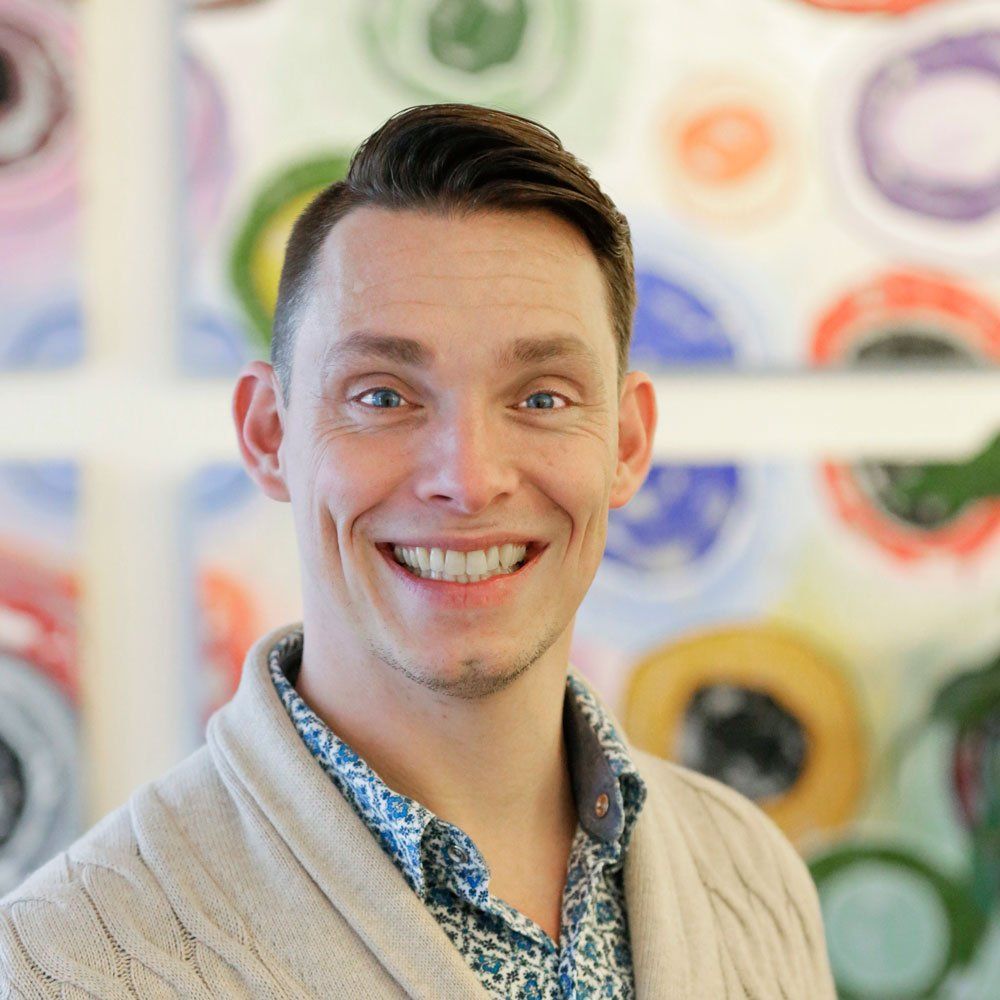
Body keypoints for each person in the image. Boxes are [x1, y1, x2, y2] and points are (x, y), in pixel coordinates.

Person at [0, 103, 835, 998]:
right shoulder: (68, 965)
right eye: (383, 396)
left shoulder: (751, 874)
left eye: (542, 398)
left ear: (627, 443)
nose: (468, 480)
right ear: (269, 433)